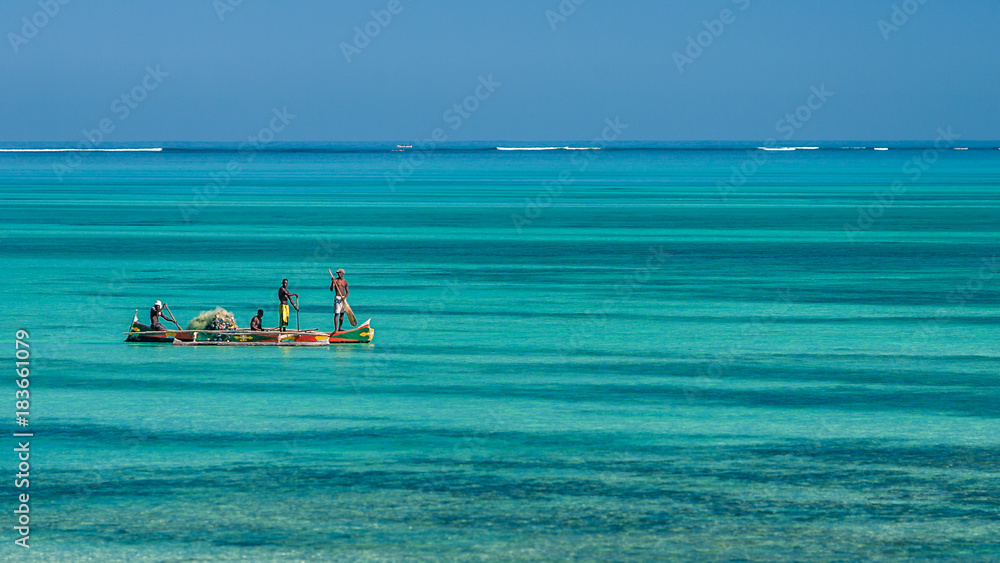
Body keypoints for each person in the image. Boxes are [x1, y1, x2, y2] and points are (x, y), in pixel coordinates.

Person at [330, 268, 349, 333]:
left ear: (343, 274)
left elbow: (347, 293)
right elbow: (331, 289)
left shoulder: (345, 282)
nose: (338, 274)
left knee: (342, 314)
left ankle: (340, 328)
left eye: (340, 273)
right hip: (337, 298)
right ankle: (336, 329)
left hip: (343, 298)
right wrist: (332, 282)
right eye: (338, 273)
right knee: (336, 313)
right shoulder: (335, 280)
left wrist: (345, 297)